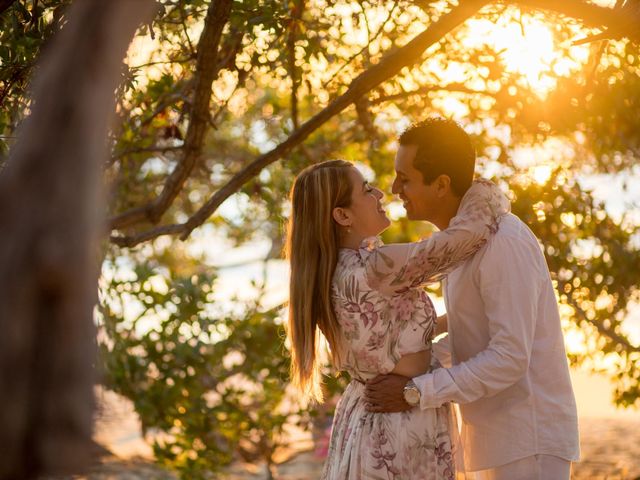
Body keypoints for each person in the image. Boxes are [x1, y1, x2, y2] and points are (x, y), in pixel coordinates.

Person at [364, 118, 580, 480]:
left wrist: (415, 391)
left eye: (405, 178)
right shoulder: (465, 242)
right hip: (497, 439)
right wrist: (407, 362)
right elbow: (471, 336)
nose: (394, 187)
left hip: (528, 441)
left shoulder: (502, 241)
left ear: (442, 184)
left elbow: (509, 356)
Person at [285, 158, 510, 479]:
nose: (379, 193)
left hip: (364, 417)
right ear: (342, 215)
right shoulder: (377, 267)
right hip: (399, 424)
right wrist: (479, 189)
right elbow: (467, 236)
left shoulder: (331, 274)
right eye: (365, 190)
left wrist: (471, 317)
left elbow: (398, 338)